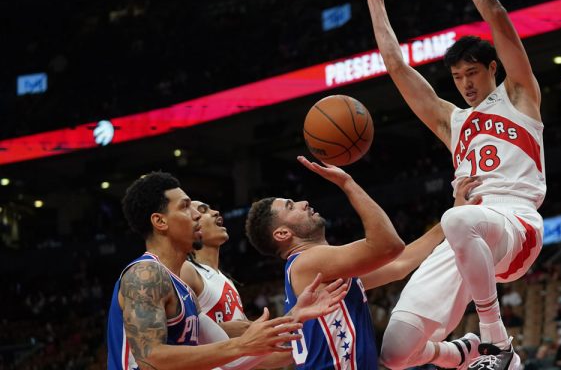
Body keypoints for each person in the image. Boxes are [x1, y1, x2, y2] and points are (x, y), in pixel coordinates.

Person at [365, 0, 545, 369]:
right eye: (457, 77)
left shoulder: (519, 95)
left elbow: (498, 15)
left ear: (493, 69)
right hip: (465, 230)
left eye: (473, 73)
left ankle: (497, 342)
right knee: (395, 352)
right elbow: (395, 66)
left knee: (456, 218)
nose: (464, 84)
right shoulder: (452, 121)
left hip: (515, 223)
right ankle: (462, 353)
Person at [244, 156, 470, 369]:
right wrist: (347, 183)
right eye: (291, 206)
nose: (303, 202)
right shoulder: (308, 261)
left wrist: (451, 217)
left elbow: (400, 264)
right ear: (282, 234)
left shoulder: (320, 271)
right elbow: (388, 245)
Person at [107, 172, 346, 370]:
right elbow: (150, 358)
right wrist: (241, 346)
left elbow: (237, 359)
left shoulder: (186, 294)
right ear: (160, 222)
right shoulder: (145, 274)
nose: (196, 216)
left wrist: (297, 315)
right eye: (186, 207)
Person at [179, 200, 293, 368]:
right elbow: (174, 334)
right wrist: (221, 330)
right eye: (203, 210)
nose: (216, 212)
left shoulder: (226, 281)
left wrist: (309, 344)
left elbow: (260, 357)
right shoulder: (186, 269)